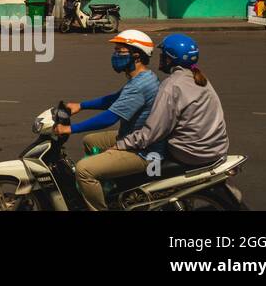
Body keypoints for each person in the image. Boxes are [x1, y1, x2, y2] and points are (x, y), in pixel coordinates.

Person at [56, 30, 161, 211]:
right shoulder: (142, 78)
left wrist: (71, 129)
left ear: (136, 55)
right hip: (136, 137)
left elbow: (110, 118)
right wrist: (81, 105)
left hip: (143, 151)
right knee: (91, 141)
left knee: (84, 170)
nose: (115, 55)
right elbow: (114, 99)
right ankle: (112, 188)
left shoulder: (140, 85)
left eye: (120, 51)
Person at [112, 33, 229, 190]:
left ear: (169, 58)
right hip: (216, 149)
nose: (160, 58)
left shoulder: (172, 85)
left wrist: (121, 145)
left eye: (162, 55)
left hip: (190, 154)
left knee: (149, 154)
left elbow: (153, 132)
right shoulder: (201, 79)